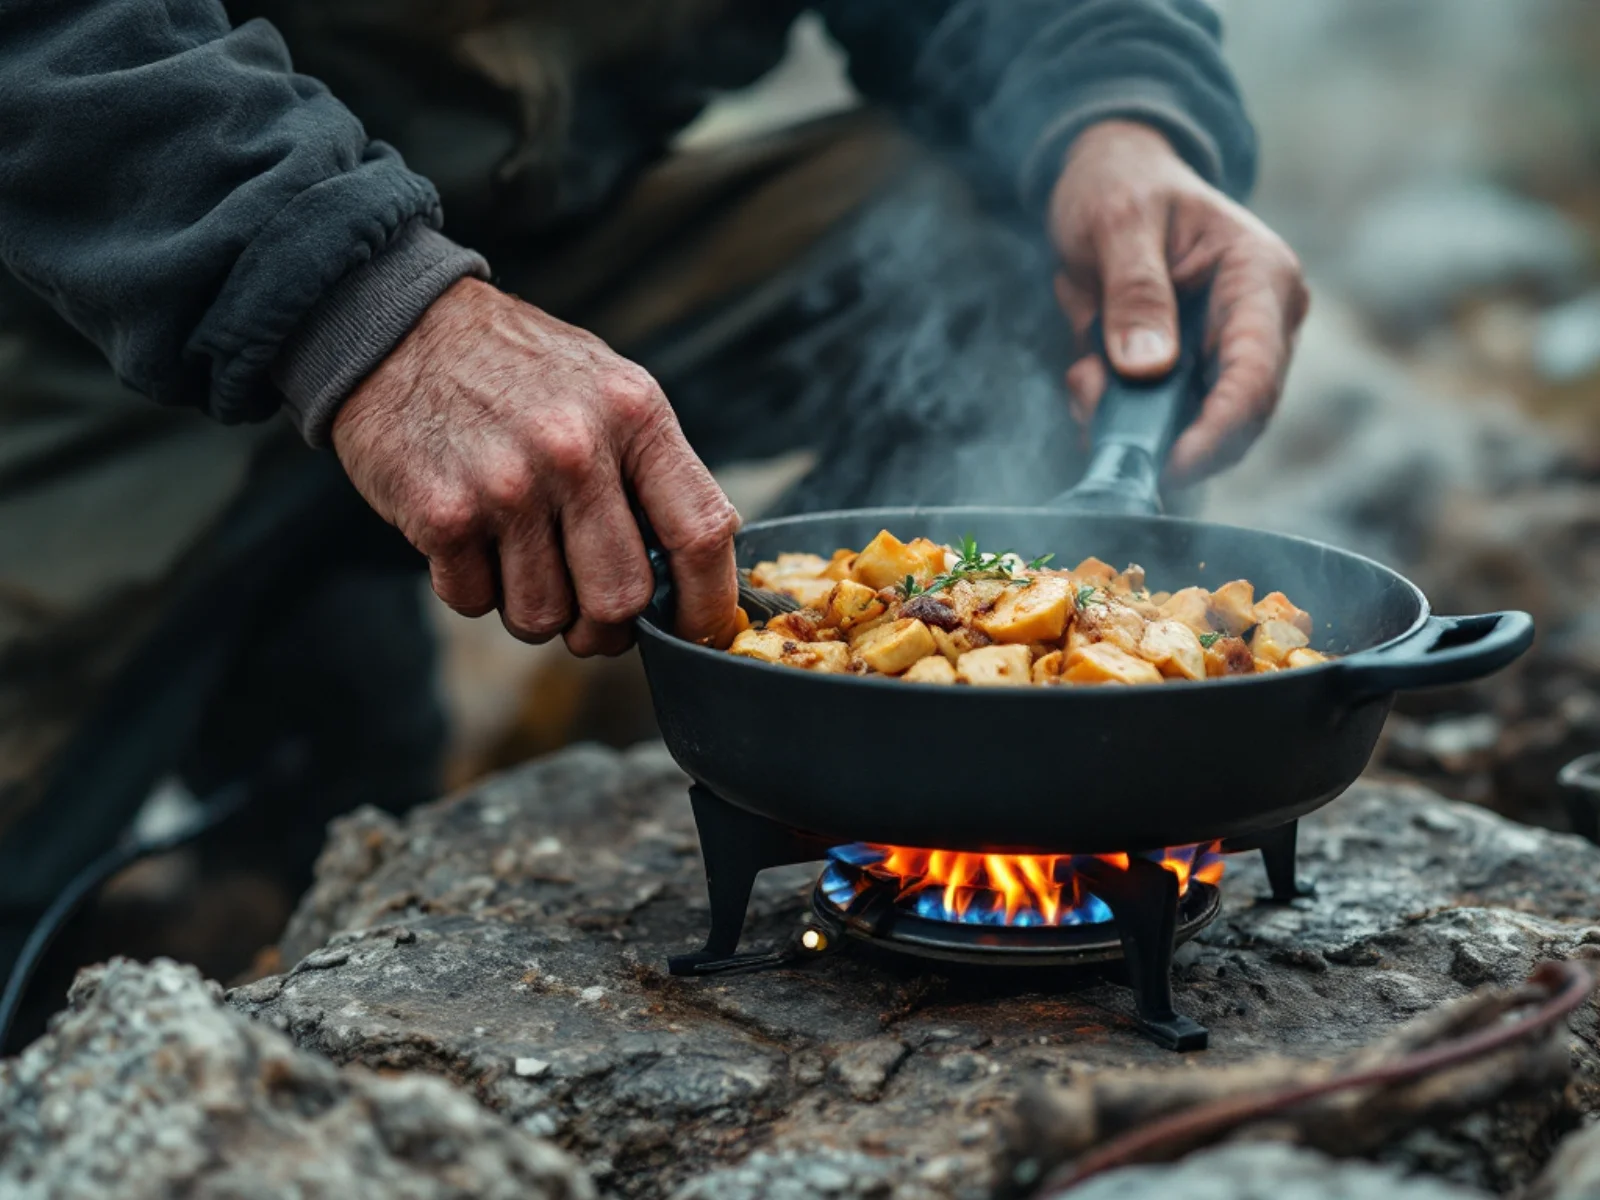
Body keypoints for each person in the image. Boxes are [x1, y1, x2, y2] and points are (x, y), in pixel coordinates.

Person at [0, 0, 1307, 1024]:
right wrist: (362, 304)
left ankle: (748, 751)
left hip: (554, 262)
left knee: (1016, 239)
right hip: (90, 308)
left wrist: (1112, 109)